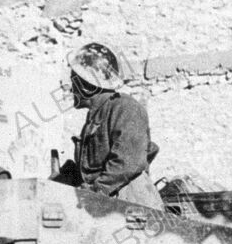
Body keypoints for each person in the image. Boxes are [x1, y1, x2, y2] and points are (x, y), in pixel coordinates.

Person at [65, 43, 163, 209]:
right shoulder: (96, 115)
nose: (70, 88)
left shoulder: (125, 108)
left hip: (131, 208)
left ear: (85, 85)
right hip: (109, 205)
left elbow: (129, 162)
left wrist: (96, 190)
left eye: (74, 80)